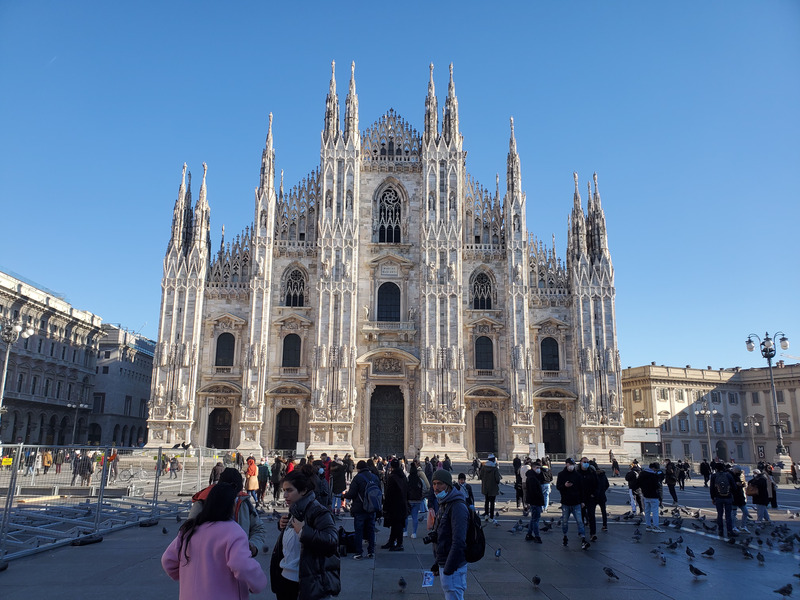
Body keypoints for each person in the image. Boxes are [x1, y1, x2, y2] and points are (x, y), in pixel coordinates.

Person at [162, 482, 267, 599]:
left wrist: (188, 577)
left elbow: (168, 560)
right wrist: (258, 582)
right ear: (230, 505)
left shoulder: (189, 529)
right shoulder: (233, 531)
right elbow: (241, 564)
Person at [270, 467, 341, 600]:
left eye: (289, 490)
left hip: (307, 584)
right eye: (284, 490)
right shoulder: (295, 510)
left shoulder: (319, 512)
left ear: (303, 491)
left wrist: (304, 531)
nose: (285, 495)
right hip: (285, 581)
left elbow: (332, 541)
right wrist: (284, 527)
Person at [189, 467, 267, 557]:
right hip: (208, 559)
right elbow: (188, 533)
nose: (233, 500)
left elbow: (259, 528)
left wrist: (252, 545)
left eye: (236, 495)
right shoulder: (202, 503)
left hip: (238, 556)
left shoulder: (244, 502)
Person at [431, 469, 469, 600]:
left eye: (440, 483)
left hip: (453, 566)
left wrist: (448, 568)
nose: (436, 487)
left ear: (447, 485)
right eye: (434, 483)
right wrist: (438, 563)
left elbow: (458, 541)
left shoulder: (457, 506)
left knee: (454, 595)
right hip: (445, 562)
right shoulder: (444, 503)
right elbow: (443, 537)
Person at [343, 460, 379, 559]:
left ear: (358, 468)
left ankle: (359, 552)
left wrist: (344, 495)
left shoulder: (358, 478)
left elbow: (352, 494)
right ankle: (371, 551)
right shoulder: (374, 477)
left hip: (360, 508)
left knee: (359, 531)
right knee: (371, 530)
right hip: (372, 508)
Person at [556, 458, 590, 549]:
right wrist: (565, 486)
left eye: (573, 464)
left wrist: (582, 501)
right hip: (566, 502)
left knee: (580, 521)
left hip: (576, 502)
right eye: (570, 464)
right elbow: (558, 487)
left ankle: (583, 538)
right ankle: (565, 536)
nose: (572, 466)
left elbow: (582, 489)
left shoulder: (577, 475)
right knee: (565, 522)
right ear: (566, 464)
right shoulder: (561, 475)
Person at [382, 458, 409, 551]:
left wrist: (385, 505)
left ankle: (399, 544)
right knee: (397, 524)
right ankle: (391, 541)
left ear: (391, 467)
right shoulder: (403, 476)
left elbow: (389, 493)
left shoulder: (392, 477)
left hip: (394, 505)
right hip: (402, 504)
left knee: (397, 525)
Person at [709, 463, 736, 538]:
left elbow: (711, 488)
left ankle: (720, 530)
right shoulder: (728, 475)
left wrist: (713, 498)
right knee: (728, 515)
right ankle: (729, 531)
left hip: (718, 498)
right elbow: (734, 487)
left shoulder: (714, 476)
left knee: (719, 514)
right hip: (728, 497)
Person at [576, 457, 599, 541]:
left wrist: (594, 494)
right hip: (580, 498)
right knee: (580, 516)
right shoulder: (577, 473)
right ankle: (581, 533)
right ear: (580, 463)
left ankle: (593, 533)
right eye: (584, 462)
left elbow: (597, 484)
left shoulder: (592, 472)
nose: (586, 463)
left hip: (590, 498)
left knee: (591, 515)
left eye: (587, 462)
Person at [638, 462, 664, 533]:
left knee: (647, 511)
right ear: (653, 468)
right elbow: (658, 486)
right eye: (656, 469)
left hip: (645, 495)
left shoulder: (642, 474)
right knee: (655, 511)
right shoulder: (653, 475)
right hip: (654, 495)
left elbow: (639, 483)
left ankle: (648, 525)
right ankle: (656, 526)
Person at [406, 461, 429, 538]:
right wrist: (421, 496)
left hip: (409, 500)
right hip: (417, 500)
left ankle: (405, 531)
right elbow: (425, 489)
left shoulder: (408, 479)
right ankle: (414, 533)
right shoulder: (419, 480)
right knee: (415, 517)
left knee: (406, 516)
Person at [524, 462, 544, 543]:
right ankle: (537, 536)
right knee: (536, 519)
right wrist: (539, 498)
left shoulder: (533, 476)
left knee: (533, 519)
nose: (539, 469)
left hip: (534, 500)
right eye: (537, 468)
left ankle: (529, 534)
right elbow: (533, 491)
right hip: (535, 501)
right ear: (533, 468)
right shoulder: (532, 478)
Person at [479, 454, 501, 521]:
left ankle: (486, 515)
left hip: (485, 487)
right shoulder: (494, 468)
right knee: (492, 503)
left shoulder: (483, 467)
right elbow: (497, 479)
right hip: (493, 488)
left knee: (486, 501)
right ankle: (491, 516)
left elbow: (480, 476)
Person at [594, 461, 610, 531]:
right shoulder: (603, 475)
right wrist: (603, 490)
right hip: (602, 496)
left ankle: (590, 523)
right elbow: (607, 485)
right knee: (603, 511)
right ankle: (605, 525)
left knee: (591, 512)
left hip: (594, 496)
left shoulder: (593, 475)